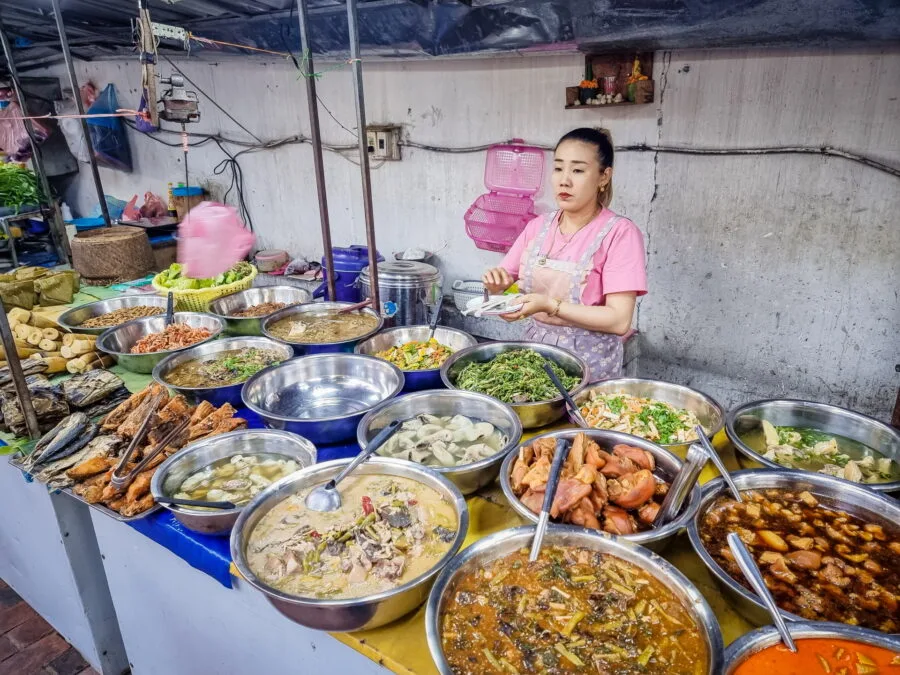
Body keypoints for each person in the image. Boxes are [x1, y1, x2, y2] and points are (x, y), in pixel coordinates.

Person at [481, 127, 647, 380]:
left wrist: (550, 305)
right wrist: (496, 290)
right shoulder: (537, 227)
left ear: (604, 176)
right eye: (558, 168)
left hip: (590, 366)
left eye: (578, 170)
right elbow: (507, 308)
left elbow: (618, 320)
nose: (564, 180)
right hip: (534, 361)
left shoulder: (620, 233)